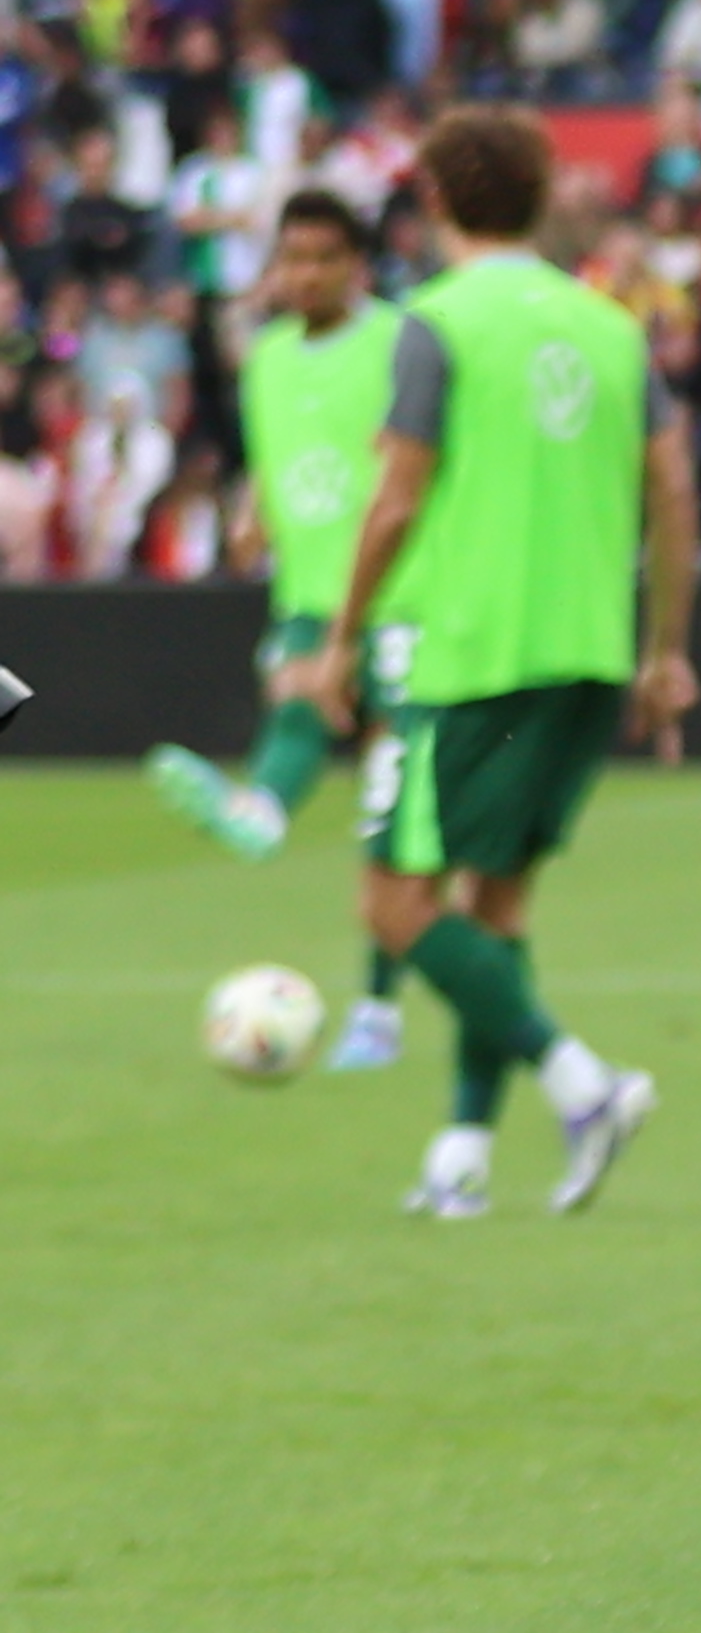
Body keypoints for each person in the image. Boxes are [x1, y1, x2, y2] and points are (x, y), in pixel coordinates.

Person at [300, 106, 682, 1219]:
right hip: (588, 651)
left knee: (394, 903)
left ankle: (582, 1084)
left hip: (472, 655)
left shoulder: (436, 323)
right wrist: (666, 649)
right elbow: (672, 490)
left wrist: (341, 636)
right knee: (495, 904)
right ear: (542, 196)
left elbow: (397, 499)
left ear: (432, 199)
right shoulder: (611, 327)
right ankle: (462, 1158)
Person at [144, 189, 417, 1072]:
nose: (305, 275)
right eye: (291, 258)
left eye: (323, 259)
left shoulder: (399, 344)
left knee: (392, 817)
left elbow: (415, 470)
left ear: (357, 265)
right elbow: (276, 460)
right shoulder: (265, 359)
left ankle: (378, 1009)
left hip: (402, 600)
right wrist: (255, 515)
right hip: (306, 597)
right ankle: (260, 811)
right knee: (299, 717)